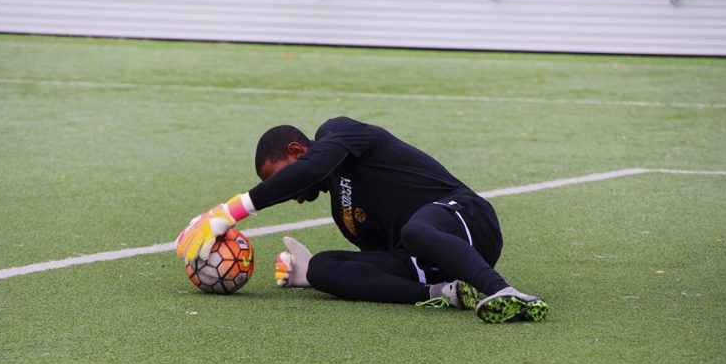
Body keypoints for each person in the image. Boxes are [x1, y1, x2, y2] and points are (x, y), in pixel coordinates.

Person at [175, 116, 548, 323]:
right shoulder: (344, 216)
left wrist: (230, 212)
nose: (290, 194)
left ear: (297, 150)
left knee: (416, 229)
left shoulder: (338, 133)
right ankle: (445, 294)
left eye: (281, 179)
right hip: (430, 262)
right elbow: (385, 264)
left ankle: (504, 292)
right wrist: (309, 275)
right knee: (323, 267)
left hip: (466, 219)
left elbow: (313, 168)